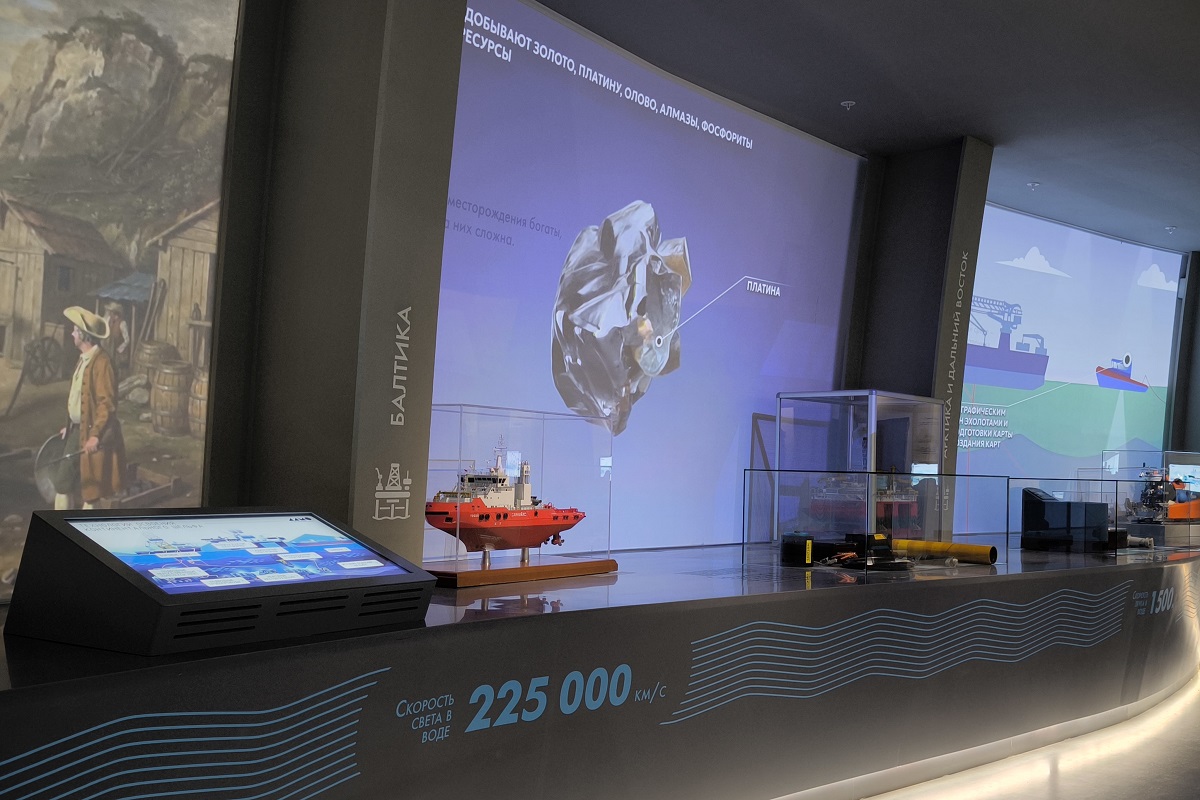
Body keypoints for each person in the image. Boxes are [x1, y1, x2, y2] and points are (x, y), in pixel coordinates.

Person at [56, 306, 126, 510]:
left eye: (75, 330)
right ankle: (59, 526)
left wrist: (95, 436)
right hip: (78, 430)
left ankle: (84, 528)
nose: (72, 334)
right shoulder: (83, 358)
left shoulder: (103, 363)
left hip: (96, 434)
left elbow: (107, 404)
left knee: (91, 489)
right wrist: (70, 424)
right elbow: (79, 397)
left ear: (83, 336)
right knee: (63, 482)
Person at [103, 301, 130, 375]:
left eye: (110, 312)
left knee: (115, 367)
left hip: (116, 350)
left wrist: (119, 349)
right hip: (109, 348)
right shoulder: (109, 320)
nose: (109, 313)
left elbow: (127, 340)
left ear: (115, 313)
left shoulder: (122, 323)